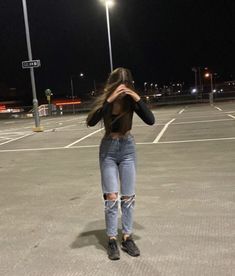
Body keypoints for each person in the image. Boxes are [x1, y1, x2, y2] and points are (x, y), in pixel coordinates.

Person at [86, 67, 155, 260]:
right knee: (111, 197)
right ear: (113, 85)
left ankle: (127, 237)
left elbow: (150, 120)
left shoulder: (130, 102)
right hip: (108, 149)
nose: (122, 91)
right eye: (119, 87)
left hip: (127, 149)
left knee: (128, 197)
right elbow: (91, 122)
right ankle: (111, 239)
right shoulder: (106, 102)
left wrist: (135, 96)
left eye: (126, 87)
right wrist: (109, 99)